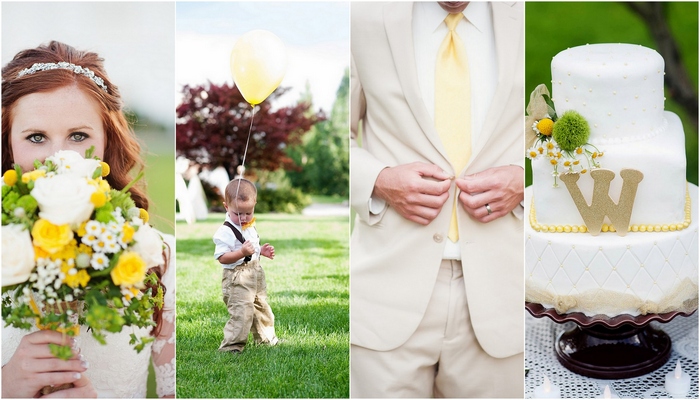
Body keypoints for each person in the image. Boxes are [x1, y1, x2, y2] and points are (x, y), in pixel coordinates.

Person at [350, 2, 524, 397]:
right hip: (385, 294)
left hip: (504, 298)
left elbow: (571, 134)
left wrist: (523, 179)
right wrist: (379, 179)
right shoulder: (360, 16)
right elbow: (329, 139)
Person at [1, 41, 175, 398]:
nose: (59, 159)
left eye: (78, 136)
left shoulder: (157, 257)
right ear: (8, 145)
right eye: (36, 137)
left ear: (107, 141)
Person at [213, 178, 278, 353]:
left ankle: (266, 338)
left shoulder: (250, 225)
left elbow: (252, 247)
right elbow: (222, 257)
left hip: (255, 272)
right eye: (237, 213)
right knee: (241, 312)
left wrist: (260, 251)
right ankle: (232, 346)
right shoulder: (225, 231)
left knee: (261, 306)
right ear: (226, 207)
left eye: (247, 213)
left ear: (254, 205)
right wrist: (241, 253)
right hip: (237, 277)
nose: (242, 218)